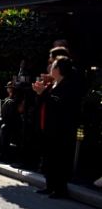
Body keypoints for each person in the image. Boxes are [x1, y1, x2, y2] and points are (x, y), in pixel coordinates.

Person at [32, 56, 80, 198]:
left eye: (53, 65)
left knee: (58, 159)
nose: (50, 68)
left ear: (58, 69)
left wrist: (43, 93)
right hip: (47, 127)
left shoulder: (68, 85)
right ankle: (49, 185)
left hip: (60, 130)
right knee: (48, 158)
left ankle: (60, 189)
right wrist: (40, 93)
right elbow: (45, 103)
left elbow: (59, 105)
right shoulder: (53, 84)